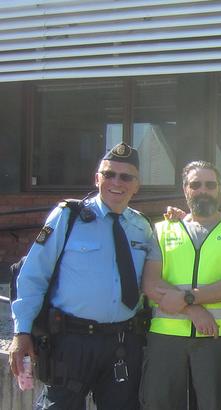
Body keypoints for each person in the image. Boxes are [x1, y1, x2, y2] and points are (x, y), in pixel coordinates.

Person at [10, 143, 158, 409]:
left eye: (126, 177)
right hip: (71, 341)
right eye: (109, 174)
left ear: (137, 185)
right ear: (97, 178)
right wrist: (21, 332)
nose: (117, 182)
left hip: (123, 343)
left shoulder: (142, 227)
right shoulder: (68, 217)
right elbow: (34, 275)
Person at [140, 161, 221, 410]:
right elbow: (150, 283)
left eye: (210, 185)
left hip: (216, 339)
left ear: (218, 189)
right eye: (195, 185)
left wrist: (187, 298)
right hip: (165, 339)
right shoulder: (162, 230)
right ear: (185, 190)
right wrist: (192, 309)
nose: (203, 190)